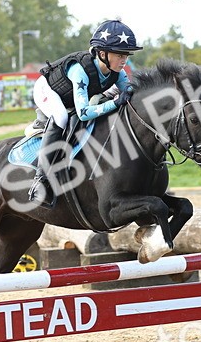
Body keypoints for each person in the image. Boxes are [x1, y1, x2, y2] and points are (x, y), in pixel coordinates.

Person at [27, 18, 142, 207]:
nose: (124, 60)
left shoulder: (118, 72)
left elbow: (130, 95)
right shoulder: (80, 70)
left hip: (70, 96)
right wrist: (114, 102)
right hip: (47, 90)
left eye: (126, 55)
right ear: (103, 53)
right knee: (62, 117)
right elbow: (83, 113)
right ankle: (40, 181)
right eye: (120, 55)